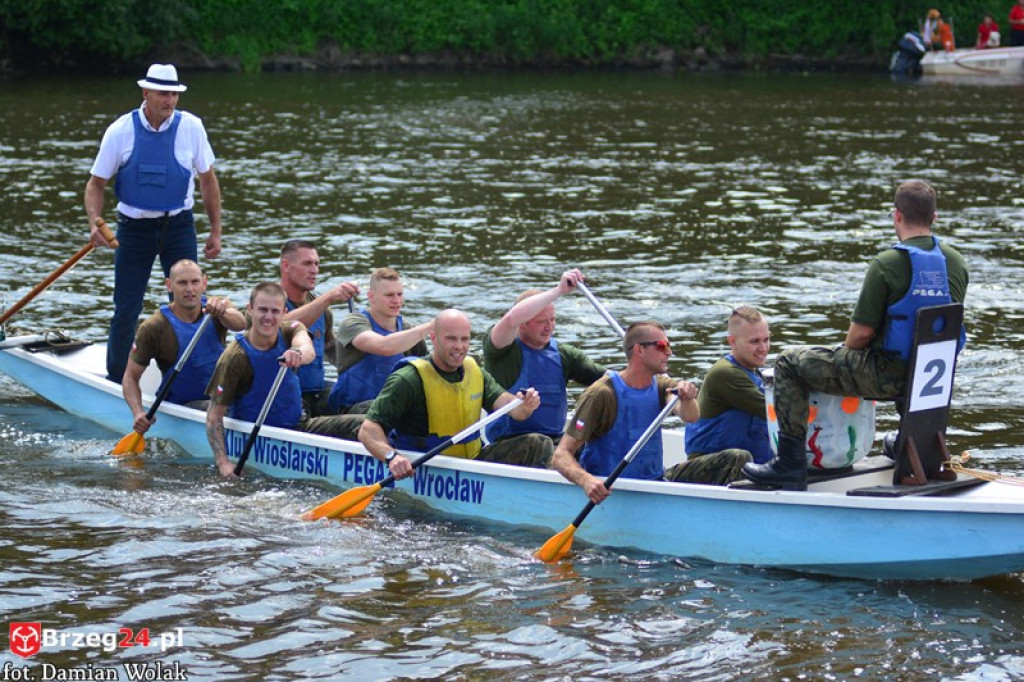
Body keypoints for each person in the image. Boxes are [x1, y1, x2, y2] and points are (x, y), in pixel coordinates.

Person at [744, 180, 968, 491]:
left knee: (788, 363)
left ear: (897, 216)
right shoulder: (956, 262)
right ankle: (909, 441)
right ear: (934, 217)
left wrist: (845, 352)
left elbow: (859, 336)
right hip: (932, 380)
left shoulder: (887, 263)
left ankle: (789, 463)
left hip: (888, 376)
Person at [85, 63, 223, 384]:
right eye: (163, 93)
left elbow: (208, 180)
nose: (170, 100)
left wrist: (215, 231)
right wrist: (95, 223)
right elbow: (95, 184)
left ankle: (198, 379)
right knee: (126, 308)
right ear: (146, 93)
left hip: (179, 226)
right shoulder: (120, 131)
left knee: (191, 304)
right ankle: (118, 379)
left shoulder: (192, 127)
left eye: (174, 93)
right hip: (133, 230)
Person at [552, 322, 751, 505]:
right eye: (662, 346)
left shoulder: (662, 386)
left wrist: (688, 398)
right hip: (611, 490)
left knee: (737, 457)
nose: (670, 352)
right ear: (639, 349)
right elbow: (560, 455)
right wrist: (587, 481)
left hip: (656, 481)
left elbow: (690, 416)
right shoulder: (601, 394)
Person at [358, 309, 548, 480]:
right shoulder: (408, 379)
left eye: (464, 339)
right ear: (433, 338)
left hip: (471, 462)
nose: (459, 346)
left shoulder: (475, 372)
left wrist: (525, 405)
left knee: (538, 443)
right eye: (451, 339)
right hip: (429, 468)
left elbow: (514, 410)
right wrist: (392, 457)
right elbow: (368, 430)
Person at [206, 282, 364, 477]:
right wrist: (223, 463)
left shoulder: (291, 329)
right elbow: (214, 416)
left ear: (284, 313)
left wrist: (297, 353)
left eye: (275, 311)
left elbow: (307, 349)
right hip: (261, 431)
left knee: (366, 423)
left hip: (298, 424)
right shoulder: (234, 358)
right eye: (262, 310)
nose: (268, 317)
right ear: (250, 310)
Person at [483, 269, 606, 447]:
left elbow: (609, 379)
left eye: (552, 320)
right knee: (540, 443)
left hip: (553, 441)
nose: (549, 327)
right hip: (510, 443)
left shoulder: (565, 355)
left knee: (595, 443)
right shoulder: (501, 350)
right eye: (542, 322)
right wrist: (558, 290)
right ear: (522, 324)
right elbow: (511, 319)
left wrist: (655, 382)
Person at [122, 259, 245, 435]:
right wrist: (138, 412)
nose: (190, 289)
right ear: (169, 285)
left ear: (204, 283)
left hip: (221, 398)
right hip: (186, 407)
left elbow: (240, 324)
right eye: (182, 283)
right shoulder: (154, 326)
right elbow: (130, 377)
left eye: (195, 282)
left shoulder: (218, 308)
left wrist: (223, 311)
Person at [326, 268, 431, 414]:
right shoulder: (353, 323)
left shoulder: (408, 330)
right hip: (353, 410)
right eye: (389, 295)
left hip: (392, 408)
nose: (396, 301)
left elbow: (429, 371)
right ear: (371, 296)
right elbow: (383, 346)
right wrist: (432, 326)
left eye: (399, 294)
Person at [277, 240, 359, 417]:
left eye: (316, 264)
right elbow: (279, 326)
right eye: (307, 264)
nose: (314, 270)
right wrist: (328, 297)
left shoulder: (323, 310)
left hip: (316, 393)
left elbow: (331, 350)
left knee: (365, 406)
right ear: (286, 265)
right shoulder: (267, 302)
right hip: (279, 397)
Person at [685, 306, 774, 465]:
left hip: (749, 467)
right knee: (739, 457)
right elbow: (776, 411)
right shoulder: (725, 374)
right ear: (732, 341)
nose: (763, 348)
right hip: (713, 468)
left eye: (766, 339)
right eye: (754, 341)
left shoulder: (758, 375)